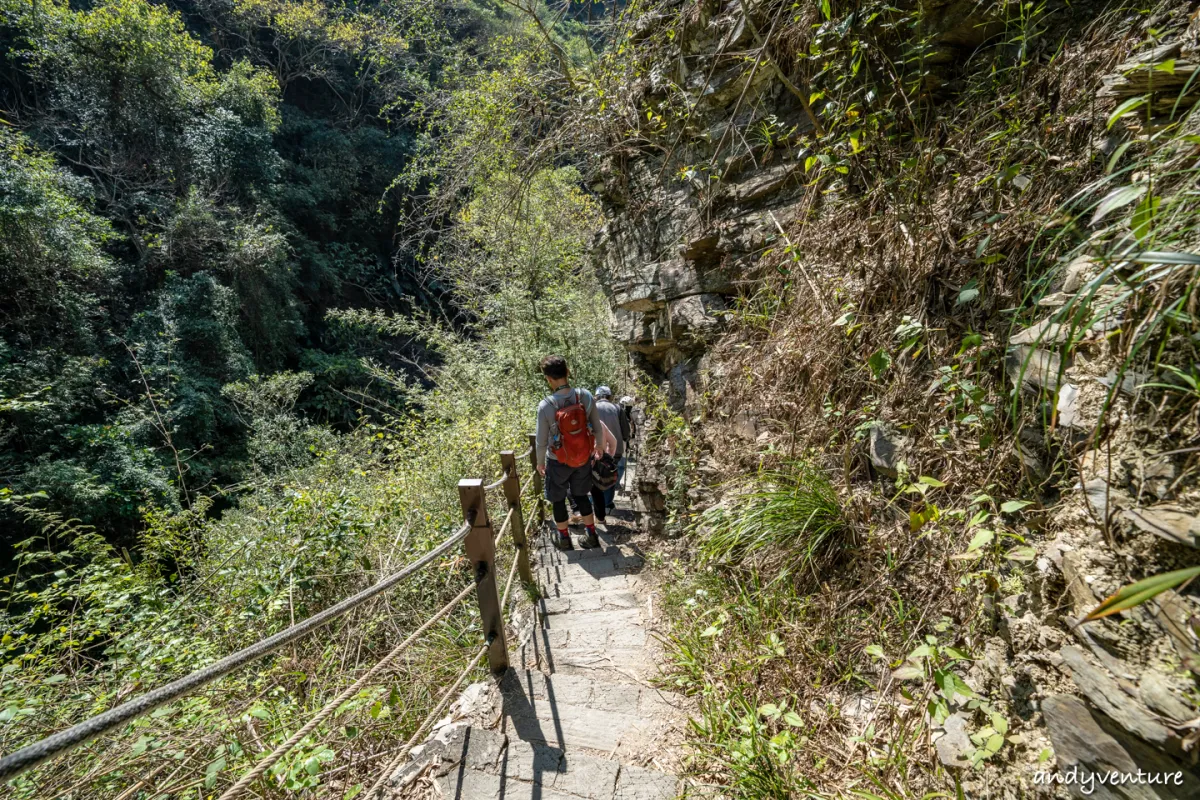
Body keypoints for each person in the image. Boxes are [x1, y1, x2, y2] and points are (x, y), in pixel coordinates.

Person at [535, 355, 615, 549]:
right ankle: (592, 536)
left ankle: (564, 540)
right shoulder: (585, 396)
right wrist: (598, 447)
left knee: (558, 499)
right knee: (581, 495)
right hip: (583, 458)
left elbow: (541, 441)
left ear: (548, 379)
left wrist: (540, 463)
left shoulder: (546, 405)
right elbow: (596, 426)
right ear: (568, 372)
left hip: (557, 459)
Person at [594, 386, 631, 514]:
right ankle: (607, 504)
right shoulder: (617, 408)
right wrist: (626, 439)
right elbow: (625, 430)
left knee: (595, 475)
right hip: (615, 448)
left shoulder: (590, 408)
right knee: (611, 473)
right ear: (609, 396)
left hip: (595, 448)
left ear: (597, 396)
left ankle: (596, 505)